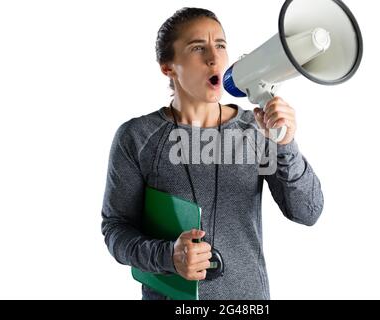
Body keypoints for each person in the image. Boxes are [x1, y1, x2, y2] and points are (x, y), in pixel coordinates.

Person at [101, 7, 324, 300]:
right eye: (197, 48)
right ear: (168, 67)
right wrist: (168, 256)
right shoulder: (137, 137)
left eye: (220, 45)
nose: (213, 57)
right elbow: (116, 229)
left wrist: (285, 145)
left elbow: (307, 212)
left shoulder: (257, 130)